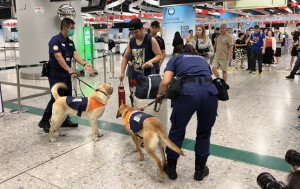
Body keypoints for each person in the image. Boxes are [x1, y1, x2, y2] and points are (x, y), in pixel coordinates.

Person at [157, 44, 218, 181]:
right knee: (204, 133)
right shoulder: (202, 59)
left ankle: (171, 168)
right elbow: (214, 77)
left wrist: (159, 95)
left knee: (177, 130)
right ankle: (200, 170)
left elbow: (166, 81)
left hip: (188, 93)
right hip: (210, 92)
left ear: (178, 52)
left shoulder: (176, 58)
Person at [38, 18, 94, 133]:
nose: (73, 31)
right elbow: (59, 57)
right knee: (56, 98)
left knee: (68, 97)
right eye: (71, 28)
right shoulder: (55, 40)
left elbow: (75, 54)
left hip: (66, 73)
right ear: (65, 28)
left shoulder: (70, 42)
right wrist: (69, 69)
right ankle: (44, 120)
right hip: (56, 73)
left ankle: (64, 119)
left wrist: (85, 64)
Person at [119, 18, 162, 103]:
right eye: (132, 33)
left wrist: (151, 61)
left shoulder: (150, 39)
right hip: (134, 75)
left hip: (148, 76)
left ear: (142, 28)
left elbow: (159, 55)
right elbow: (125, 57)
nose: (134, 35)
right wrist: (122, 72)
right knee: (133, 97)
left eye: (136, 32)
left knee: (146, 97)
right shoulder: (132, 41)